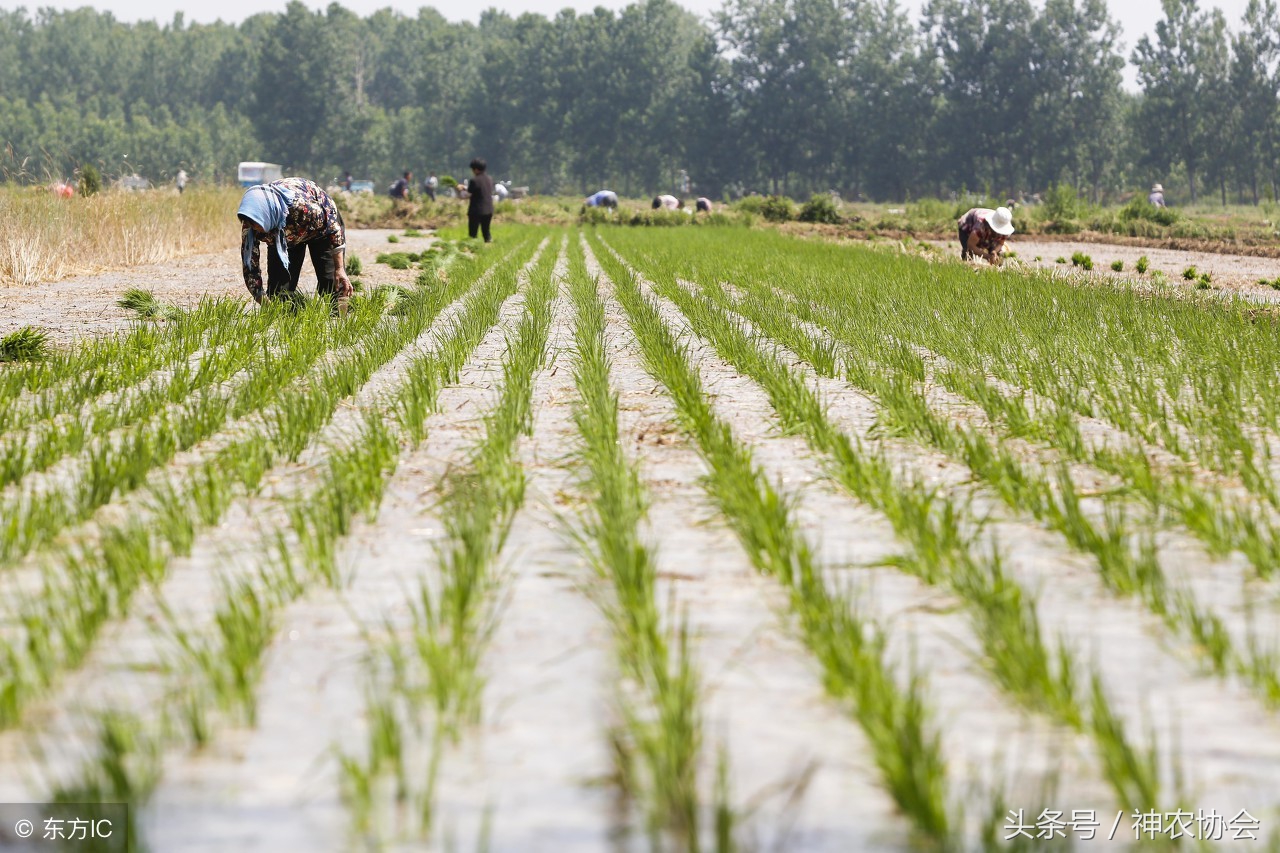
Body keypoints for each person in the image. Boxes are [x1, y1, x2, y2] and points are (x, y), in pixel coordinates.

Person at [237, 177, 352, 306]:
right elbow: (250, 266)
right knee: (278, 293)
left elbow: (332, 229)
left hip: (321, 229)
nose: (255, 228)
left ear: (266, 214)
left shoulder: (302, 207)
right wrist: (262, 299)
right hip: (284, 237)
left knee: (331, 282)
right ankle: (286, 319)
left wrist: (340, 269)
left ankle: (340, 317)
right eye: (250, 224)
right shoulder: (250, 224)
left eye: (257, 224)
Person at [466, 158, 496, 242]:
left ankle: (472, 250)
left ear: (476, 169)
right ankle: (489, 247)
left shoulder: (474, 180)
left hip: (476, 211)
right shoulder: (489, 179)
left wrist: (457, 189)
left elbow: (467, 195)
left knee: (473, 234)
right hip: (488, 210)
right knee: (486, 233)